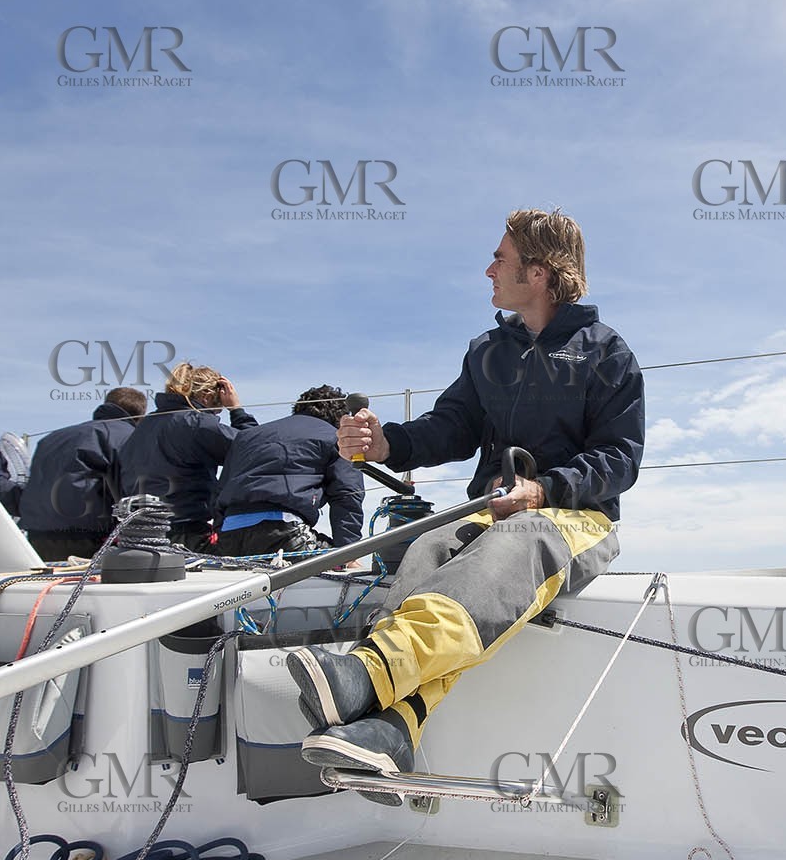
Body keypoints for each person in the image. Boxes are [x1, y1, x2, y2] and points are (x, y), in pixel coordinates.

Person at [287, 207, 644, 798]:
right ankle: (394, 728)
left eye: (500, 259)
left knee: (515, 542)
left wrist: (543, 489)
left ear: (538, 271)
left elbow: (619, 459)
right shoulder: (487, 351)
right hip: (492, 508)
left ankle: (368, 674)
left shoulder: (607, 353)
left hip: (576, 517)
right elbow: (450, 427)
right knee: (428, 547)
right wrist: (387, 442)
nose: (488, 270)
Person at [118, 362, 257, 551]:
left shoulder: (143, 426)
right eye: (217, 410)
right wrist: (236, 410)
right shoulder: (196, 423)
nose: (216, 415)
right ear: (206, 397)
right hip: (184, 531)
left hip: (138, 532)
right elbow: (256, 449)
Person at [214, 385, 364, 556]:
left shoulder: (246, 437)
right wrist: (349, 553)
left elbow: (220, 491)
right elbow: (347, 494)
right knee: (338, 559)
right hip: (285, 535)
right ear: (340, 419)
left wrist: (220, 533)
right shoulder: (336, 438)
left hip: (229, 537)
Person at [18, 388, 147, 561]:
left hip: (36, 538)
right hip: (90, 540)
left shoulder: (51, 439)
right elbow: (131, 489)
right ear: (140, 415)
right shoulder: (130, 437)